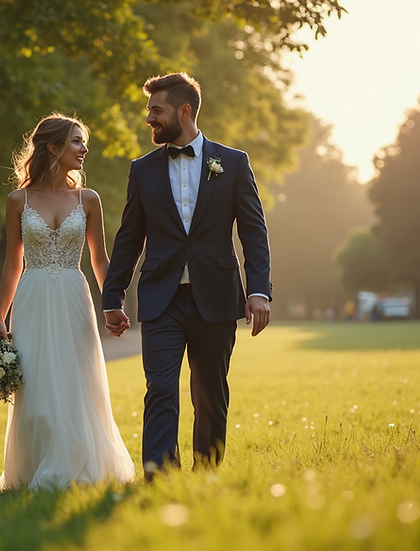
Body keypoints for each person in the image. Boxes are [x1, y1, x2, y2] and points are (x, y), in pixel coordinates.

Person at [102, 73, 272, 478]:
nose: (149, 119)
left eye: (155, 110)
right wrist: (113, 297)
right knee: (160, 389)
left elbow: (253, 231)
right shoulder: (141, 170)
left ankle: (207, 471)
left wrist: (259, 291)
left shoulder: (233, 162)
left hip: (215, 296)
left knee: (210, 394)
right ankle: (159, 474)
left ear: (184, 111)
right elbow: (128, 237)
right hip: (162, 299)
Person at [0, 113, 135, 490]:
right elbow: (12, 262)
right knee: (36, 385)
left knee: (76, 380)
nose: (84, 149)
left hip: (74, 294)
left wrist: (114, 302)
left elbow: (100, 260)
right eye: (76, 141)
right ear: (53, 147)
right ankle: (36, 466)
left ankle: (78, 464)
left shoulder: (88, 199)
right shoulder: (17, 200)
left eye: (83, 142)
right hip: (33, 297)